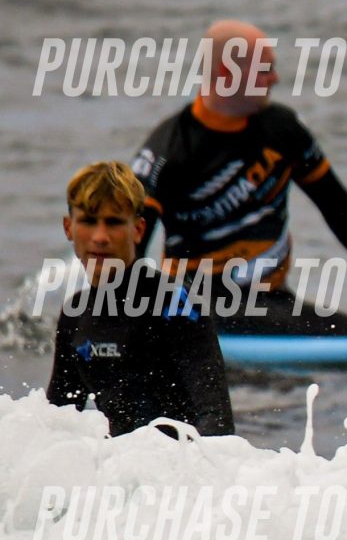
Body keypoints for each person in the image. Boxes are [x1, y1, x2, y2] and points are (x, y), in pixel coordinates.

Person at [132, 18, 347, 336]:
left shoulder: (281, 130)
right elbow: (132, 241)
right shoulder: (168, 150)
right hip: (199, 306)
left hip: (274, 303)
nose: (275, 79)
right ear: (226, 74)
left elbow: (338, 207)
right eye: (265, 70)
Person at [46, 161, 234, 438]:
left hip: (179, 460)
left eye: (114, 222)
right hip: (119, 462)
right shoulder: (75, 313)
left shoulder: (174, 304)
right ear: (68, 227)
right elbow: (56, 426)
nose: (100, 237)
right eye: (88, 221)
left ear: (138, 229)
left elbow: (218, 423)